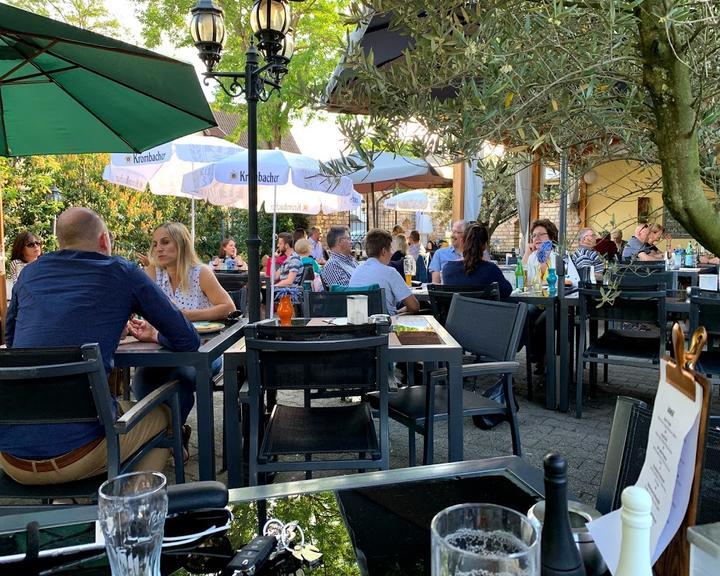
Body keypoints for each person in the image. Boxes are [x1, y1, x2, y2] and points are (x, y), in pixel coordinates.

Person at [1, 207, 200, 485]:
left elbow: (12, 343)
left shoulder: (29, 275)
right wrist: (153, 336)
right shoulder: (122, 272)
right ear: (104, 240)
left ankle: (73, 505)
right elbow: (187, 339)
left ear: (59, 241)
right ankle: (131, 513)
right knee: (167, 413)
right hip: (79, 455)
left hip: (11, 459)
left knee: (114, 409)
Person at [134, 222, 235, 424]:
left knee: (181, 377)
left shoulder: (200, 273)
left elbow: (229, 308)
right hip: (163, 350)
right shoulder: (154, 274)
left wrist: (185, 316)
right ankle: (162, 433)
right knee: (141, 380)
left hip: (203, 350)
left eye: (165, 242)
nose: (158, 248)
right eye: (155, 244)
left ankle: (176, 435)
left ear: (181, 244)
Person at [350, 228, 420, 315]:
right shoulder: (390, 272)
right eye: (390, 249)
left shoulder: (357, 270)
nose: (391, 254)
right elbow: (414, 306)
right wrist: (398, 312)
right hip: (385, 325)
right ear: (383, 251)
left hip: (360, 324)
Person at [442, 223, 513, 297]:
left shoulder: (448, 269)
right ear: (485, 245)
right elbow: (506, 291)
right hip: (484, 308)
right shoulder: (491, 269)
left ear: (462, 242)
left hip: (456, 308)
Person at [523, 219, 559, 285]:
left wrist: (542, 283)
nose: (536, 238)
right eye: (534, 235)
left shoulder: (561, 255)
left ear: (551, 236)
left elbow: (570, 281)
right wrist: (526, 254)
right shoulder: (531, 256)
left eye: (540, 234)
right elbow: (519, 280)